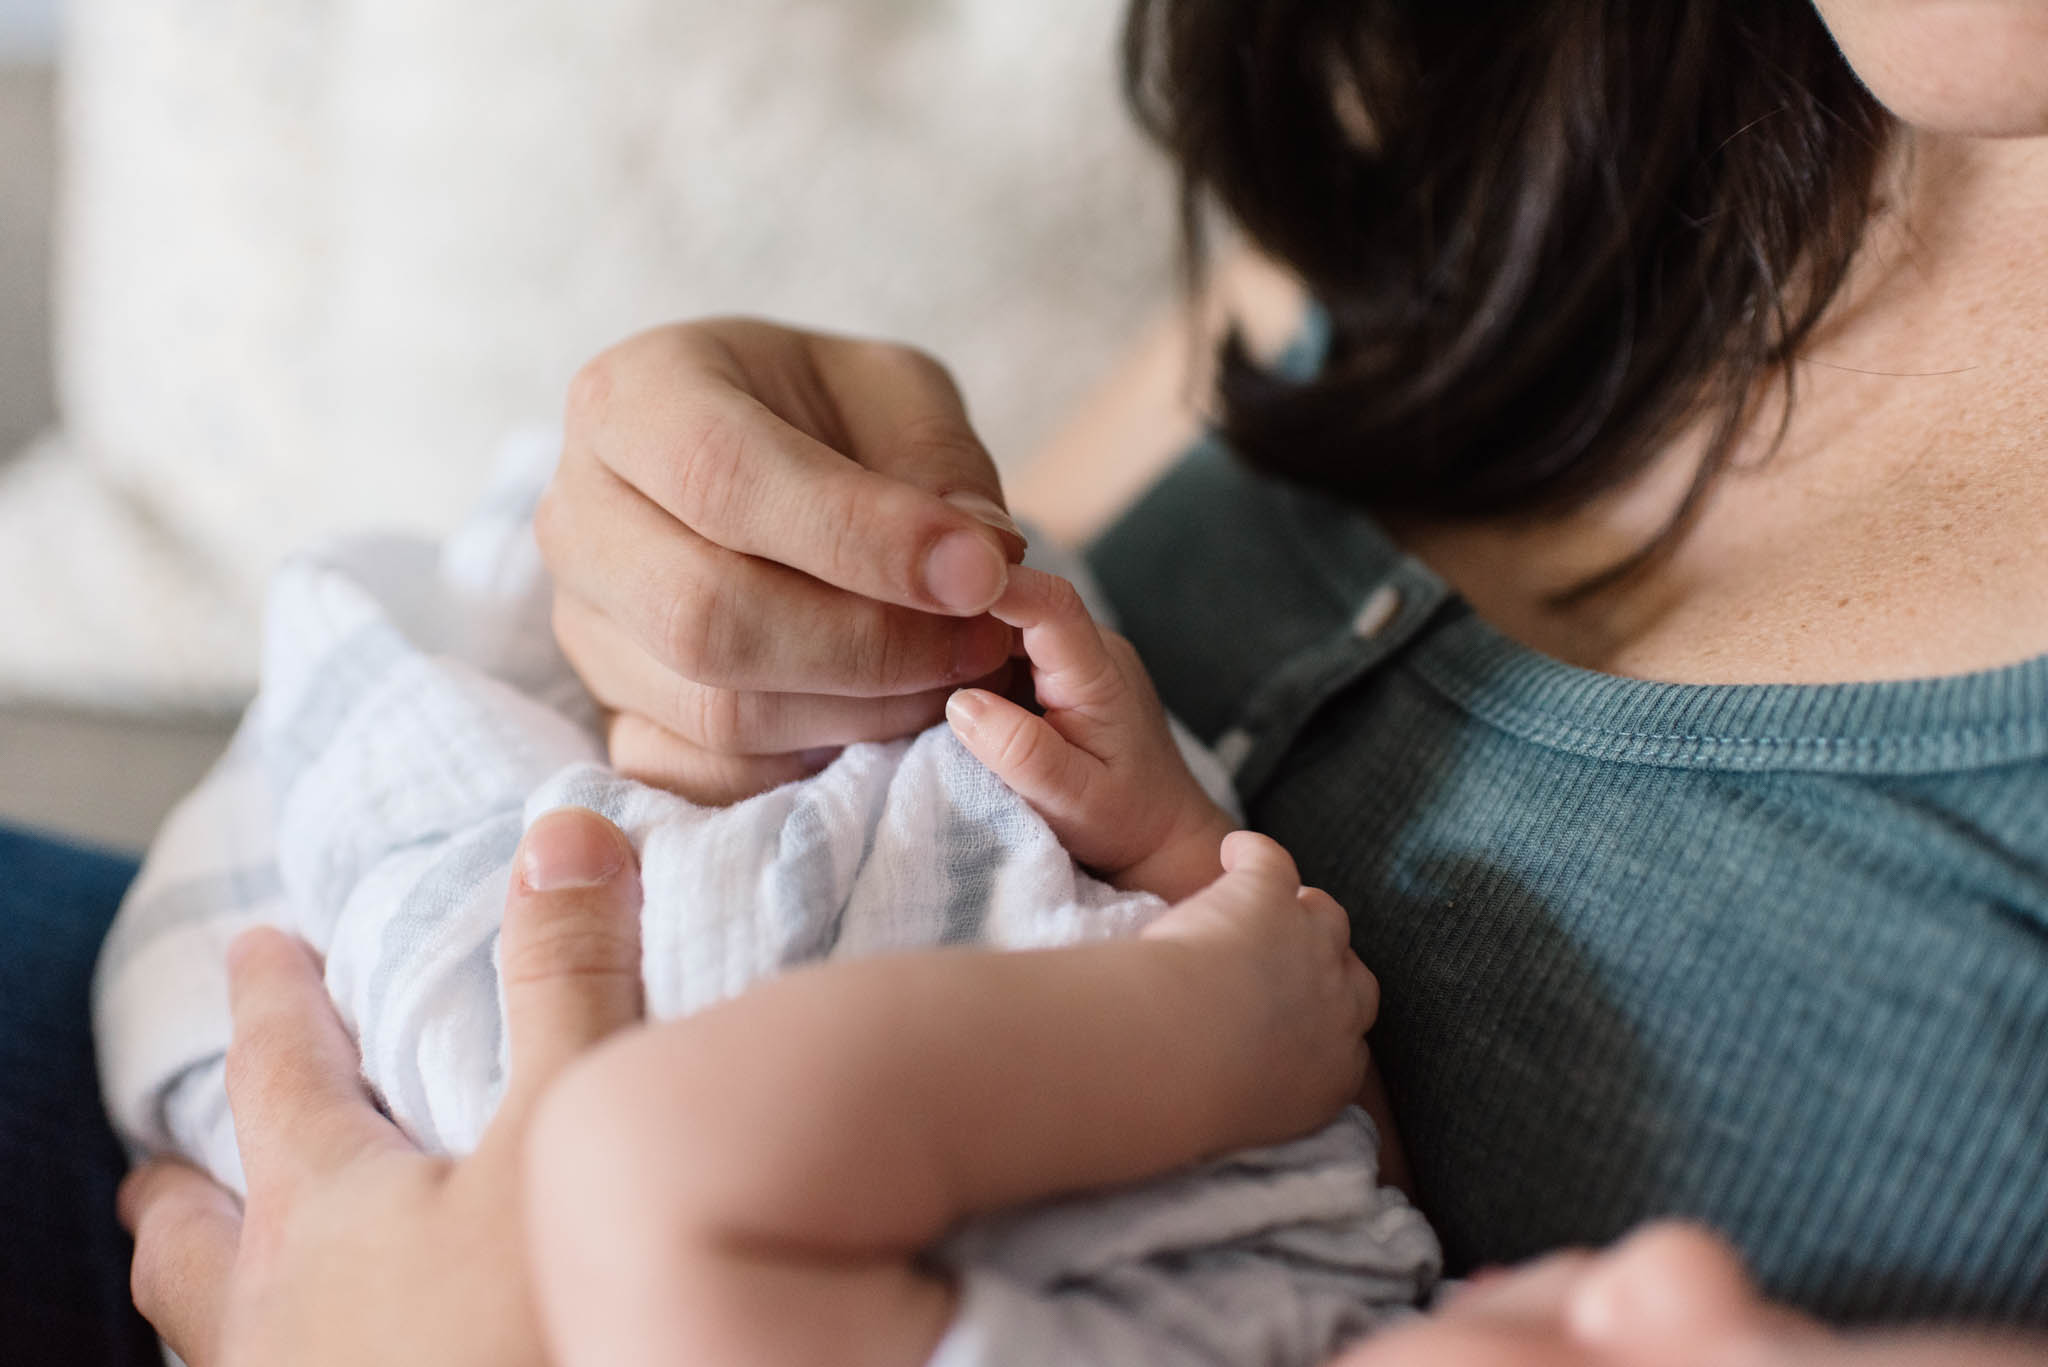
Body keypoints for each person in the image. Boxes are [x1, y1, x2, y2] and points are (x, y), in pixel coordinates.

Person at [87, 0, 2048, 1361]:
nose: (1671, 1282)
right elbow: (987, 681)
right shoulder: (1572, 93)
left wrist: (1234, 1009)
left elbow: (669, 1183)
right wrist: (740, 580)